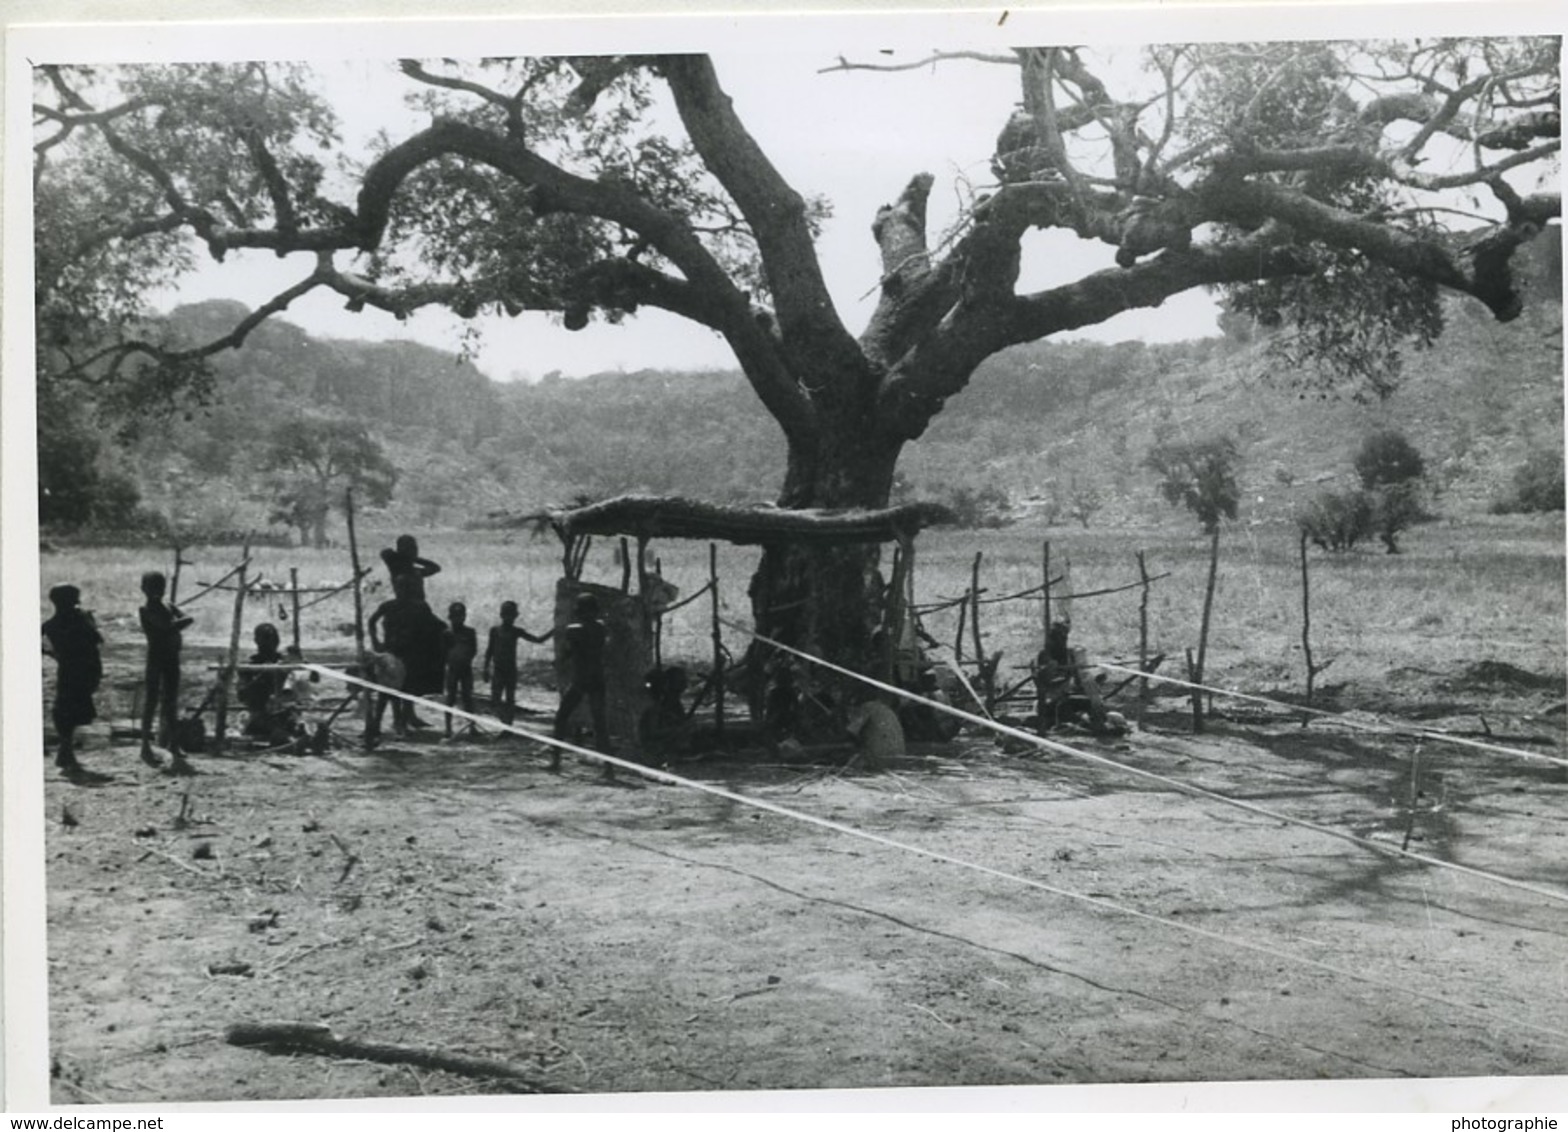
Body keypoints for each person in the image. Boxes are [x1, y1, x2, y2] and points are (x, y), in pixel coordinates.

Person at [41, 584, 107, 782]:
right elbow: (97, 640)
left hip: (68, 668)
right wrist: (89, 621)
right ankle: (66, 750)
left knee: (65, 707)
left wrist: (53, 654)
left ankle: (66, 748)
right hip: (82, 668)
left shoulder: (50, 625)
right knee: (73, 708)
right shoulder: (80, 622)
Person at [138, 570, 195, 775]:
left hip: (171, 657)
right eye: (152, 587)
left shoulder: (168, 605)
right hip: (156, 658)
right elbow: (169, 626)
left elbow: (183, 619)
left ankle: (173, 743)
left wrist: (179, 622)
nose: (157, 591)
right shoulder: (145, 609)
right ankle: (145, 745)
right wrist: (180, 623)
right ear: (143, 589)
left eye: (160, 587)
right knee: (152, 700)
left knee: (171, 701)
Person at [552, 593, 614, 781]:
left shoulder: (574, 629)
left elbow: (566, 654)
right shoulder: (601, 628)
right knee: (600, 724)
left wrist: (560, 661)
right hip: (597, 679)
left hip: (581, 680)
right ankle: (608, 768)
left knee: (561, 717)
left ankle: (556, 760)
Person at [481, 600, 552, 726]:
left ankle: (508, 726)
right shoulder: (495, 630)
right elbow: (490, 650)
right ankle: (505, 724)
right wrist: (485, 668)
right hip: (498, 669)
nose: (509, 618)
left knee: (510, 699)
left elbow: (538, 640)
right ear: (501, 615)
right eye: (507, 615)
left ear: (515, 616)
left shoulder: (516, 631)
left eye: (512, 615)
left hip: (510, 670)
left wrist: (554, 630)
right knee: (495, 700)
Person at [238, 622, 290, 743]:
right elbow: (242, 694)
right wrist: (262, 676)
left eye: (273, 639)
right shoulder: (250, 664)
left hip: (283, 708)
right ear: (257, 641)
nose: (270, 643)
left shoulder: (283, 660)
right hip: (260, 711)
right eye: (266, 639)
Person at [443, 602, 479, 739]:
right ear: (450, 617)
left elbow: (474, 649)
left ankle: (472, 727)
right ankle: (448, 728)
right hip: (452, 669)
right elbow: (443, 651)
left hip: (466, 669)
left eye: (460, 616)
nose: (458, 619)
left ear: (464, 617)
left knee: (467, 697)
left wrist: (465, 659)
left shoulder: (470, 632)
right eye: (455, 616)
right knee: (450, 698)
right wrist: (451, 661)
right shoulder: (447, 634)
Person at [380, 534, 441, 602]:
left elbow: (436, 568)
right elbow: (385, 553)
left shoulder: (416, 572)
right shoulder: (397, 569)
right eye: (409, 548)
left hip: (420, 606)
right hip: (405, 606)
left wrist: (413, 558)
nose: (414, 551)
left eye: (414, 548)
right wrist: (409, 557)